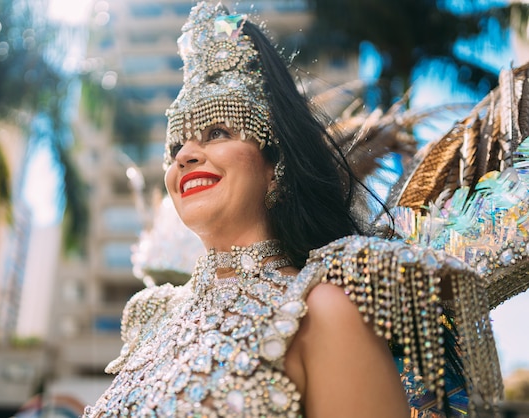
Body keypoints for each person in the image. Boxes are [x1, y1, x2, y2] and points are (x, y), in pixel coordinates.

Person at [83, 2, 502, 417]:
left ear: (275, 167)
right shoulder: (152, 320)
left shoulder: (321, 309)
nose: (186, 155)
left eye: (217, 130)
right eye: (176, 146)